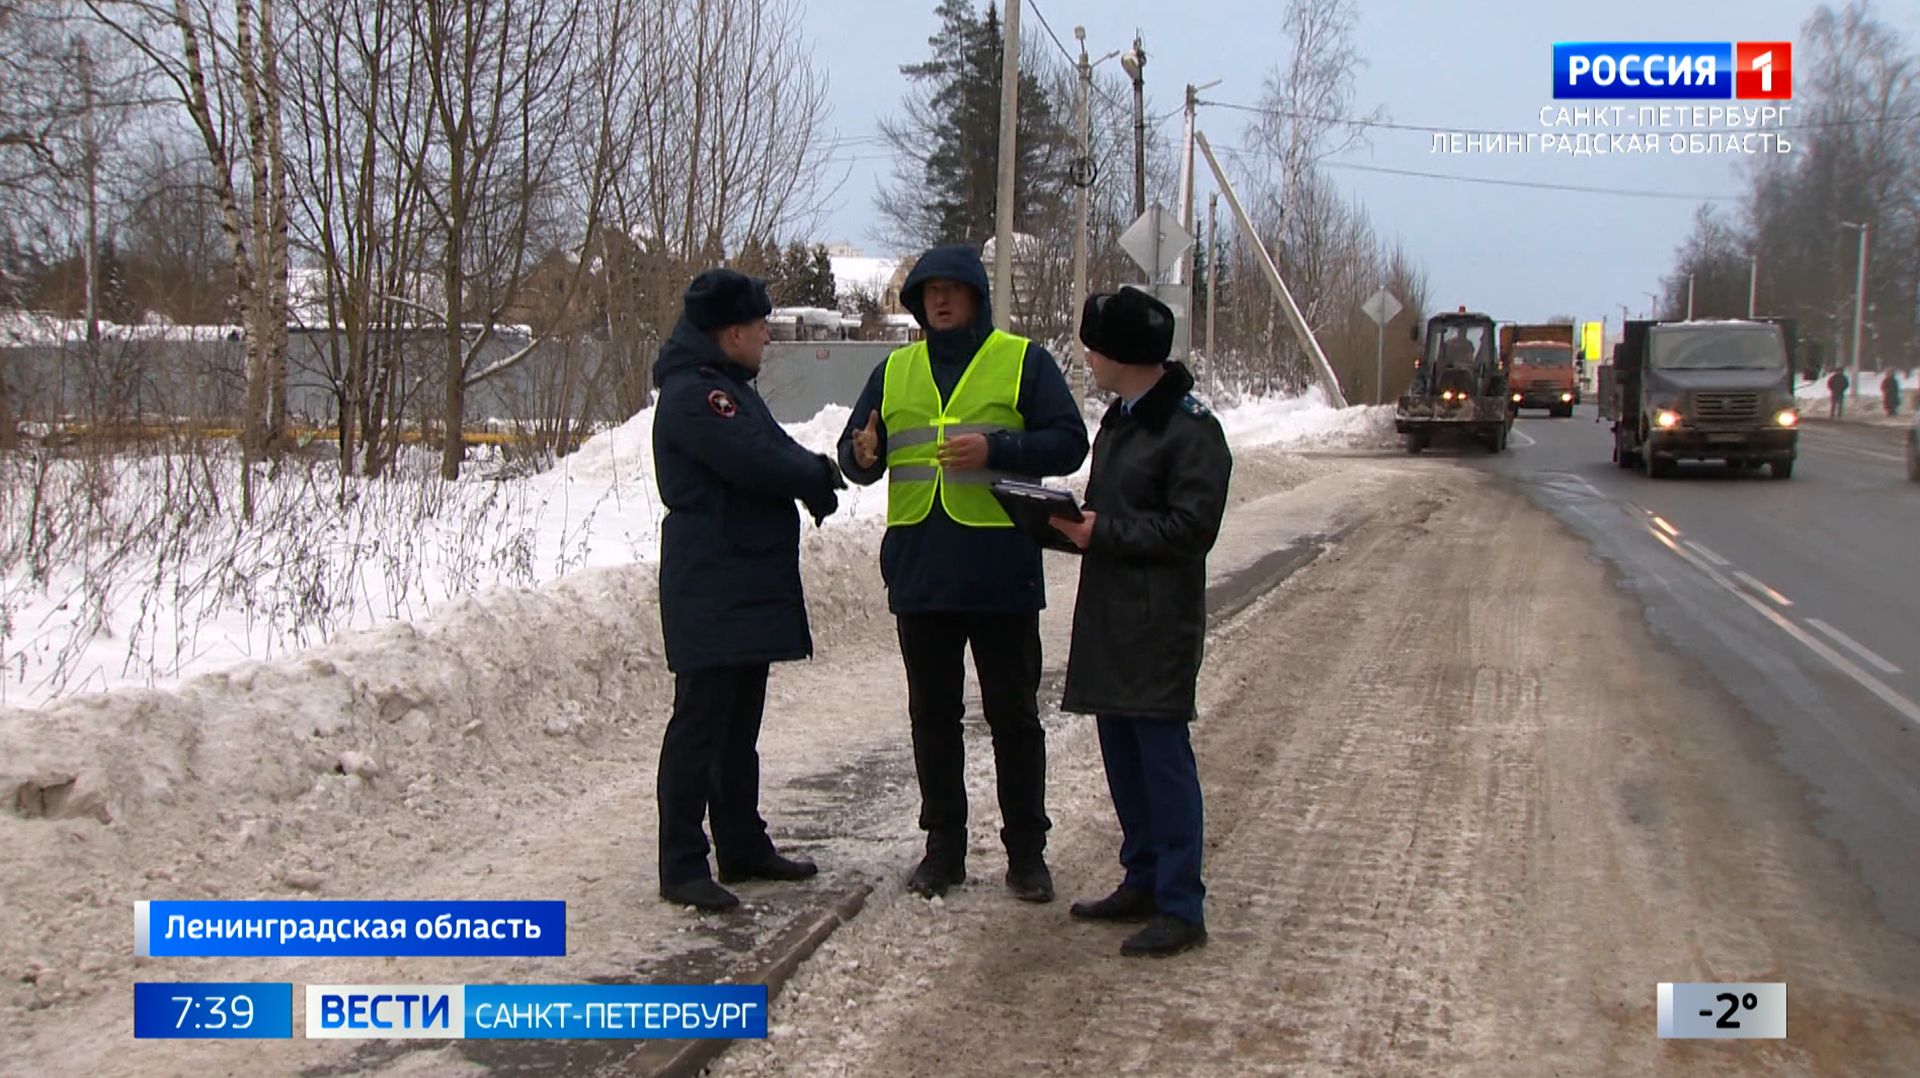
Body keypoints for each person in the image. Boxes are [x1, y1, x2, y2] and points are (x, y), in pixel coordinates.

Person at [836, 245, 1089, 903]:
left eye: (953, 289)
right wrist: (861, 456)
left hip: (1000, 569)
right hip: (921, 571)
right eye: (929, 291)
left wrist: (999, 448)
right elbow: (855, 450)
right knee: (933, 718)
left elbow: (1069, 441)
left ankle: (1026, 854)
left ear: (977, 296)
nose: (940, 300)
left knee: (1013, 718)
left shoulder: (1021, 361)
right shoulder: (895, 371)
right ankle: (943, 849)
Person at [652, 268, 846, 912]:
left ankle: (740, 844)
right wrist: (812, 474)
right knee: (701, 725)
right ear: (731, 331)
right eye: (760, 327)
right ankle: (681, 863)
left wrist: (815, 472)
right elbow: (754, 460)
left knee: (738, 726)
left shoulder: (728, 388)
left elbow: (770, 447)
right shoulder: (696, 396)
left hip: (739, 578)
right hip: (713, 580)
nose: (767, 337)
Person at [1049, 287, 1232, 958]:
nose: (1088, 357)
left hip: (1158, 623)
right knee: (1123, 759)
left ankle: (1182, 904)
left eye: (1094, 346)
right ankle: (1143, 878)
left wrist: (1106, 532)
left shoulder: (1190, 431)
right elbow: (1110, 515)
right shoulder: (1122, 419)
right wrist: (1057, 524)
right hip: (1111, 614)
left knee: (1162, 763)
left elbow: (1191, 529)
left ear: (1123, 353)